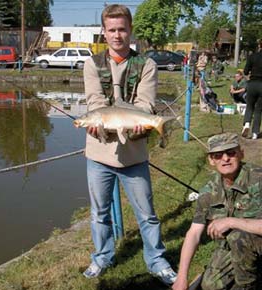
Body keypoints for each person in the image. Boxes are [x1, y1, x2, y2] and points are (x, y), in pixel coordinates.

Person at [81, 4, 177, 286]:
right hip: (98, 155)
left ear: (130, 30)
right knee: (99, 213)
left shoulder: (146, 65)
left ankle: (156, 260)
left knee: (147, 214)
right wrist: (101, 121)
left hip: (134, 157)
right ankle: (102, 257)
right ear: (104, 32)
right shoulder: (91, 64)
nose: (117, 35)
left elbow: (146, 103)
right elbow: (95, 104)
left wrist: (141, 123)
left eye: (122, 29)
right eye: (111, 30)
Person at [172, 132, 262, 290]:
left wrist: (231, 221)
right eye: (218, 155)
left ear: (241, 153)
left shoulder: (258, 179)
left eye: (231, 153)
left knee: (238, 236)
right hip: (236, 249)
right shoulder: (208, 191)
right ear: (211, 160)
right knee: (210, 285)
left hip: (253, 243)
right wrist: (181, 277)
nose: (225, 159)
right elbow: (193, 233)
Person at [241, 39, 262, 140]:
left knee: (250, 106)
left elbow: (245, 71)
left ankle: (247, 123)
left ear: (259, 45)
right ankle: (255, 133)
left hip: (253, 83)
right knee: (259, 110)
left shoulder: (252, 56)